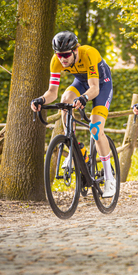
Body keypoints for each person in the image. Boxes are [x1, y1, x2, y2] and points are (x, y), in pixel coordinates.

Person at [30, 31, 116, 197]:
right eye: (59, 55)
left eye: (66, 55)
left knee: (96, 129)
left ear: (75, 50)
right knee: (65, 99)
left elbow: (95, 88)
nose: (62, 59)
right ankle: (74, 148)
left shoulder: (88, 53)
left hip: (101, 84)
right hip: (82, 83)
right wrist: (41, 100)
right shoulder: (56, 61)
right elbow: (52, 92)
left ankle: (109, 178)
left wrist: (83, 98)